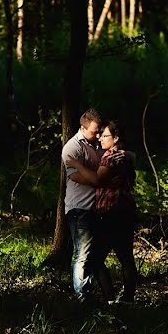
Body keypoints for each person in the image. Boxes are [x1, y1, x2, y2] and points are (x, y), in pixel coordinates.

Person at [65, 120, 138, 304]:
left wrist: (75, 164)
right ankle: (126, 299)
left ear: (116, 138)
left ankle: (110, 299)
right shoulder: (126, 157)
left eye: (105, 135)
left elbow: (97, 179)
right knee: (125, 256)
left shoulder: (110, 157)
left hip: (112, 213)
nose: (101, 138)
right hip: (125, 211)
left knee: (96, 259)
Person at [61, 109, 107, 304]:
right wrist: (97, 177)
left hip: (97, 209)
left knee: (95, 254)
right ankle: (82, 297)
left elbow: (99, 177)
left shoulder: (98, 144)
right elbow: (84, 178)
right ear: (83, 128)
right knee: (83, 253)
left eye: (99, 132)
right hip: (79, 209)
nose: (98, 135)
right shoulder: (72, 148)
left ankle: (99, 293)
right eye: (94, 132)